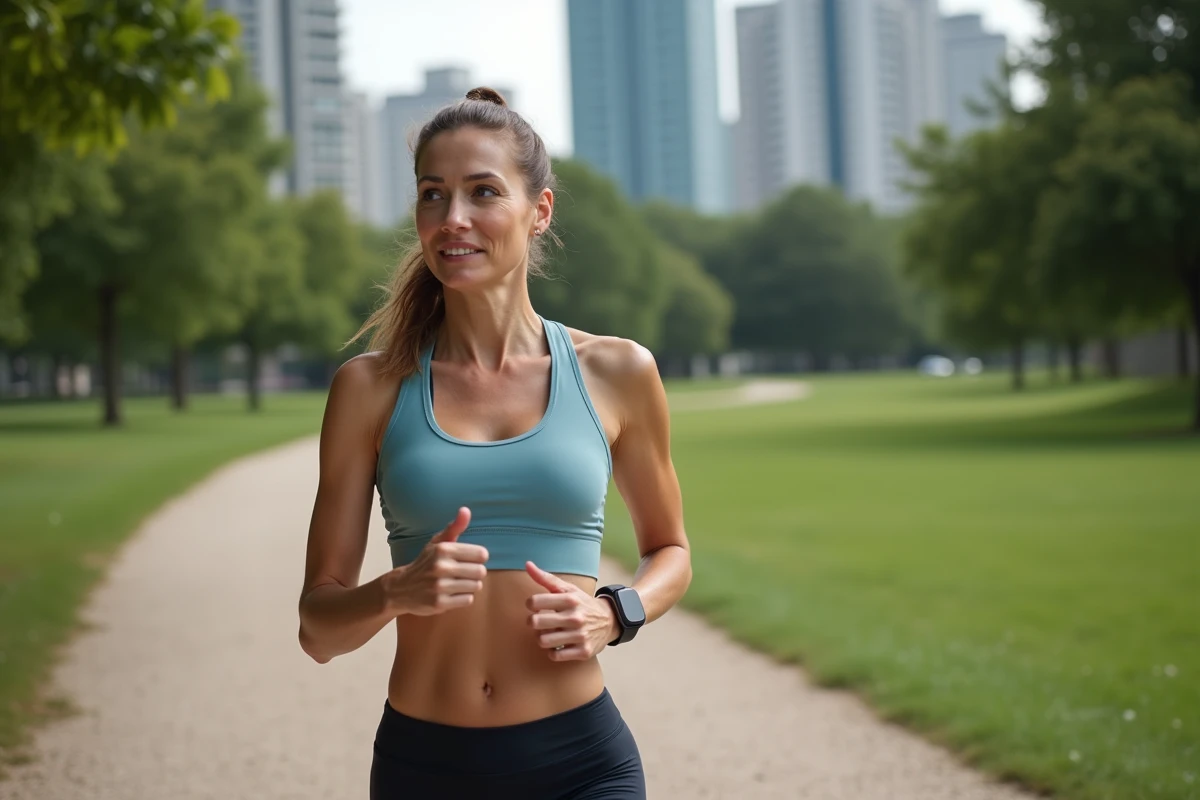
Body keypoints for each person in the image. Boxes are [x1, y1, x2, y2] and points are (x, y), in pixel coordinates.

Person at [297, 87, 693, 799]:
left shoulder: (618, 372)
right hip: (426, 768)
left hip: (582, 764)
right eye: (432, 195)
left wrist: (615, 611)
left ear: (539, 211)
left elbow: (672, 551)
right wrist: (396, 590)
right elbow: (318, 631)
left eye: (483, 192)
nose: (453, 219)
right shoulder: (370, 388)